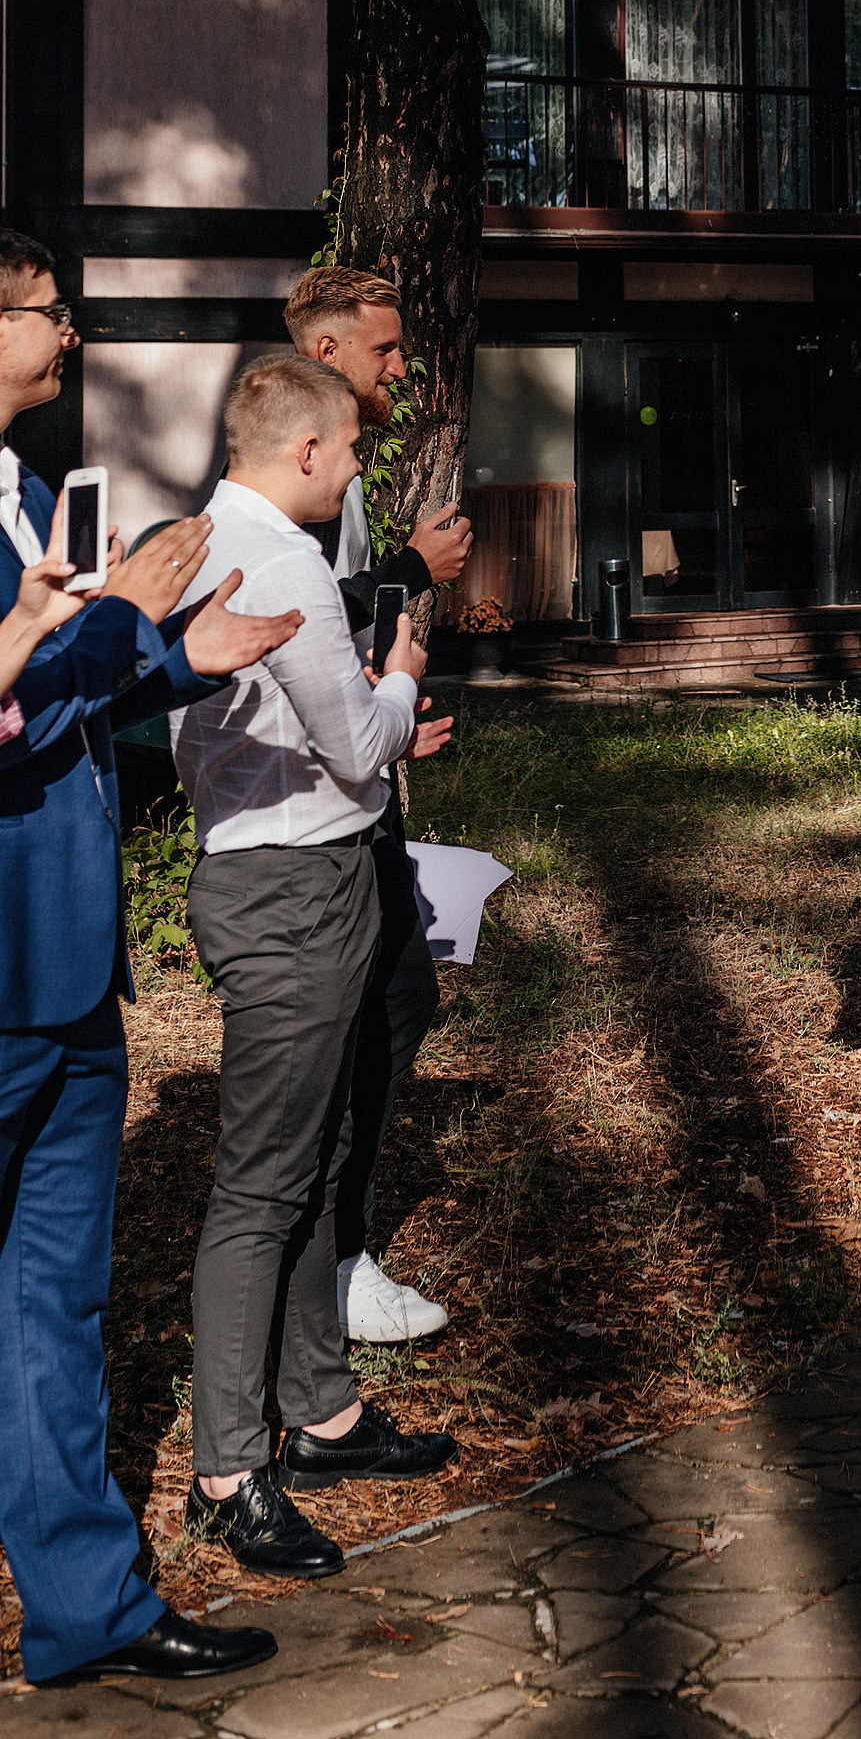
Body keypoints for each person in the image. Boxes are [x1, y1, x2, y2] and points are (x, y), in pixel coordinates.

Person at [0, 229, 308, 1686]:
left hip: (67, 970)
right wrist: (99, 617)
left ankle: (89, 1612)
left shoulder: (19, 490)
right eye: (55, 314)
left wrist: (179, 652)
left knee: (52, 1310)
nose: (72, 340)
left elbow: (53, 684)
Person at [172, 354, 458, 1581]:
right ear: (299, 451)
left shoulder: (207, 531)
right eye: (346, 451)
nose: (355, 469)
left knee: (318, 1153)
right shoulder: (284, 561)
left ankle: (323, 1411)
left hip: (293, 876)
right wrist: (398, 675)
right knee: (263, 1185)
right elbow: (354, 749)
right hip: (290, 890)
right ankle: (231, 1467)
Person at [283, 265, 472, 1346]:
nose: (402, 367)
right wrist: (411, 563)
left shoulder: (342, 473)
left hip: (357, 769)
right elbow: (283, 611)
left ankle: (338, 1250)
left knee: (395, 1003)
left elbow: (333, 642)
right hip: (314, 813)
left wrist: (395, 711)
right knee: (380, 1009)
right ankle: (337, 1260)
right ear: (328, 357)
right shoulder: (301, 474)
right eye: (387, 350)